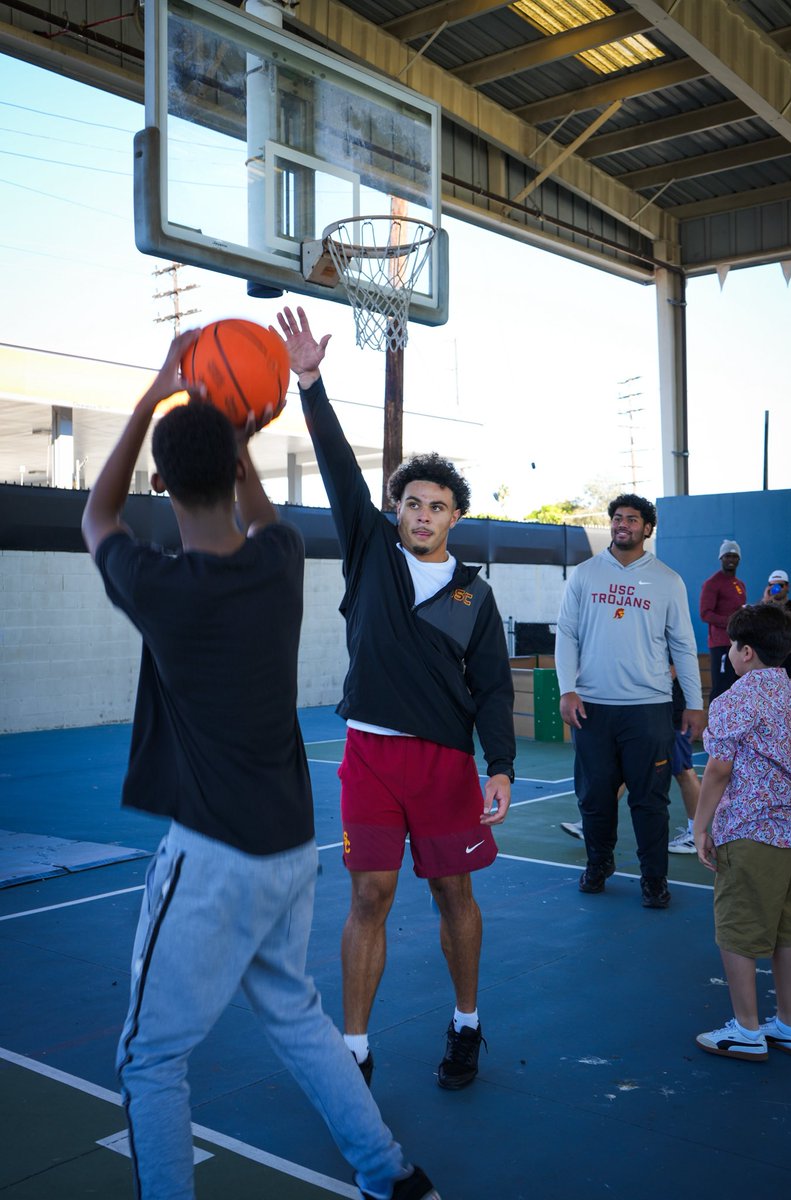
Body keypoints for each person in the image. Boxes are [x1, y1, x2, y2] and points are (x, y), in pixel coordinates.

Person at [80, 333, 440, 1200]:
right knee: (294, 1013)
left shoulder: (157, 585)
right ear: (241, 465)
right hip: (290, 849)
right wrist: (227, 415)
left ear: (162, 484)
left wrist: (154, 398)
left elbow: (97, 517)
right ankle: (393, 1175)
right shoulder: (282, 563)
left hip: (212, 856)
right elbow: (259, 512)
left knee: (150, 1056)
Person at [275, 306, 515, 1092]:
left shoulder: (475, 598)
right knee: (368, 894)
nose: (421, 514)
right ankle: (353, 1049)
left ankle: (467, 1025)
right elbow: (341, 468)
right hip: (370, 756)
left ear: (456, 517)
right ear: (398, 509)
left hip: (445, 765)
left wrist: (501, 766)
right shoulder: (370, 550)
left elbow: (491, 691)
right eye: (411, 501)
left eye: (437, 505)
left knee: (453, 891)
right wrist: (310, 381)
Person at [555, 493, 704, 909]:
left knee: (650, 800)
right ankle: (598, 864)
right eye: (618, 518)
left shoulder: (667, 580)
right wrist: (568, 688)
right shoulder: (584, 575)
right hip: (593, 709)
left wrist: (693, 702)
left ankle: (653, 878)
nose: (624, 524)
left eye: (633, 519)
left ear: (647, 528)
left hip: (650, 708)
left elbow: (684, 645)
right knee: (595, 797)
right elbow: (566, 635)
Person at [694, 603, 791, 1062]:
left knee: (737, 927)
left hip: (751, 830)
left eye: (733, 647)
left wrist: (700, 827)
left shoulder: (734, 700)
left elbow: (718, 770)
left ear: (746, 652)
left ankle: (747, 1029)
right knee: (789, 929)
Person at [559, 673, 702, 854]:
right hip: (642, 714)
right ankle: (592, 823)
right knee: (625, 768)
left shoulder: (669, 646)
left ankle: (696, 834)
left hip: (670, 714)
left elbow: (672, 670)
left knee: (683, 770)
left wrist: (630, 681)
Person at [700, 540, 747, 703]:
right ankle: (714, 726)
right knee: (722, 687)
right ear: (721, 558)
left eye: (734, 556)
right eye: (727, 556)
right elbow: (705, 614)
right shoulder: (712, 583)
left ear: (739, 559)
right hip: (721, 644)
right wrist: (731, 621)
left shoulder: (739, 584)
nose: (731, 559)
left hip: (738, 644)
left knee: (737, 686)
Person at [761, 569, 791, 679]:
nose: (776, 589)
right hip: (770, 665)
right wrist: (765, 600)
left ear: (787, 587)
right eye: (772, 585)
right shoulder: (764, 609)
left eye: (780, 585)